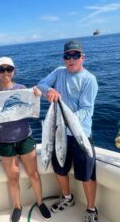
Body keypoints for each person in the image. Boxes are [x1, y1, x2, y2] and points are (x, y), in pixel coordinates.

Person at [0, 56, 51, 222]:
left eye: (9, 69)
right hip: (4, 141)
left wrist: (36, 97)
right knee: (13, 177)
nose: (5, 73)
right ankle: (17, 206)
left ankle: (40, 202)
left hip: (25, 137)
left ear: (14, 71)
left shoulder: (22, 88)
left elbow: (32, 111)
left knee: (33, 174)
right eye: (1, 69)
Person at [37, 40, 99, 222]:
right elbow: (40, 84)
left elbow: (87, 110)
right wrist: (49, 91)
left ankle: (91, 208)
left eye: (75, 55)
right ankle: (67, 198)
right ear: (63, 58)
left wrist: (66, 119)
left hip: (80, 134)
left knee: (87, 175)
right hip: (59, 134)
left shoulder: (89, 79)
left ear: (83, 57)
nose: (71, 59)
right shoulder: (58, 72)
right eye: (67, 56)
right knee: (60, 169)